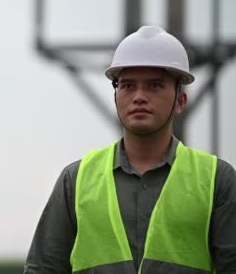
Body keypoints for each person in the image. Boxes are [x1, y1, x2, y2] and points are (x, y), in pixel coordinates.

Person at [24, 26, 236, 273]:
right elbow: (43, 268)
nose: (139, 97)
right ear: (115, 97)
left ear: (180, 101)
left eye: (154, 86)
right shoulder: (75, 180)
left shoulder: (217, 180)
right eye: (127, 86)